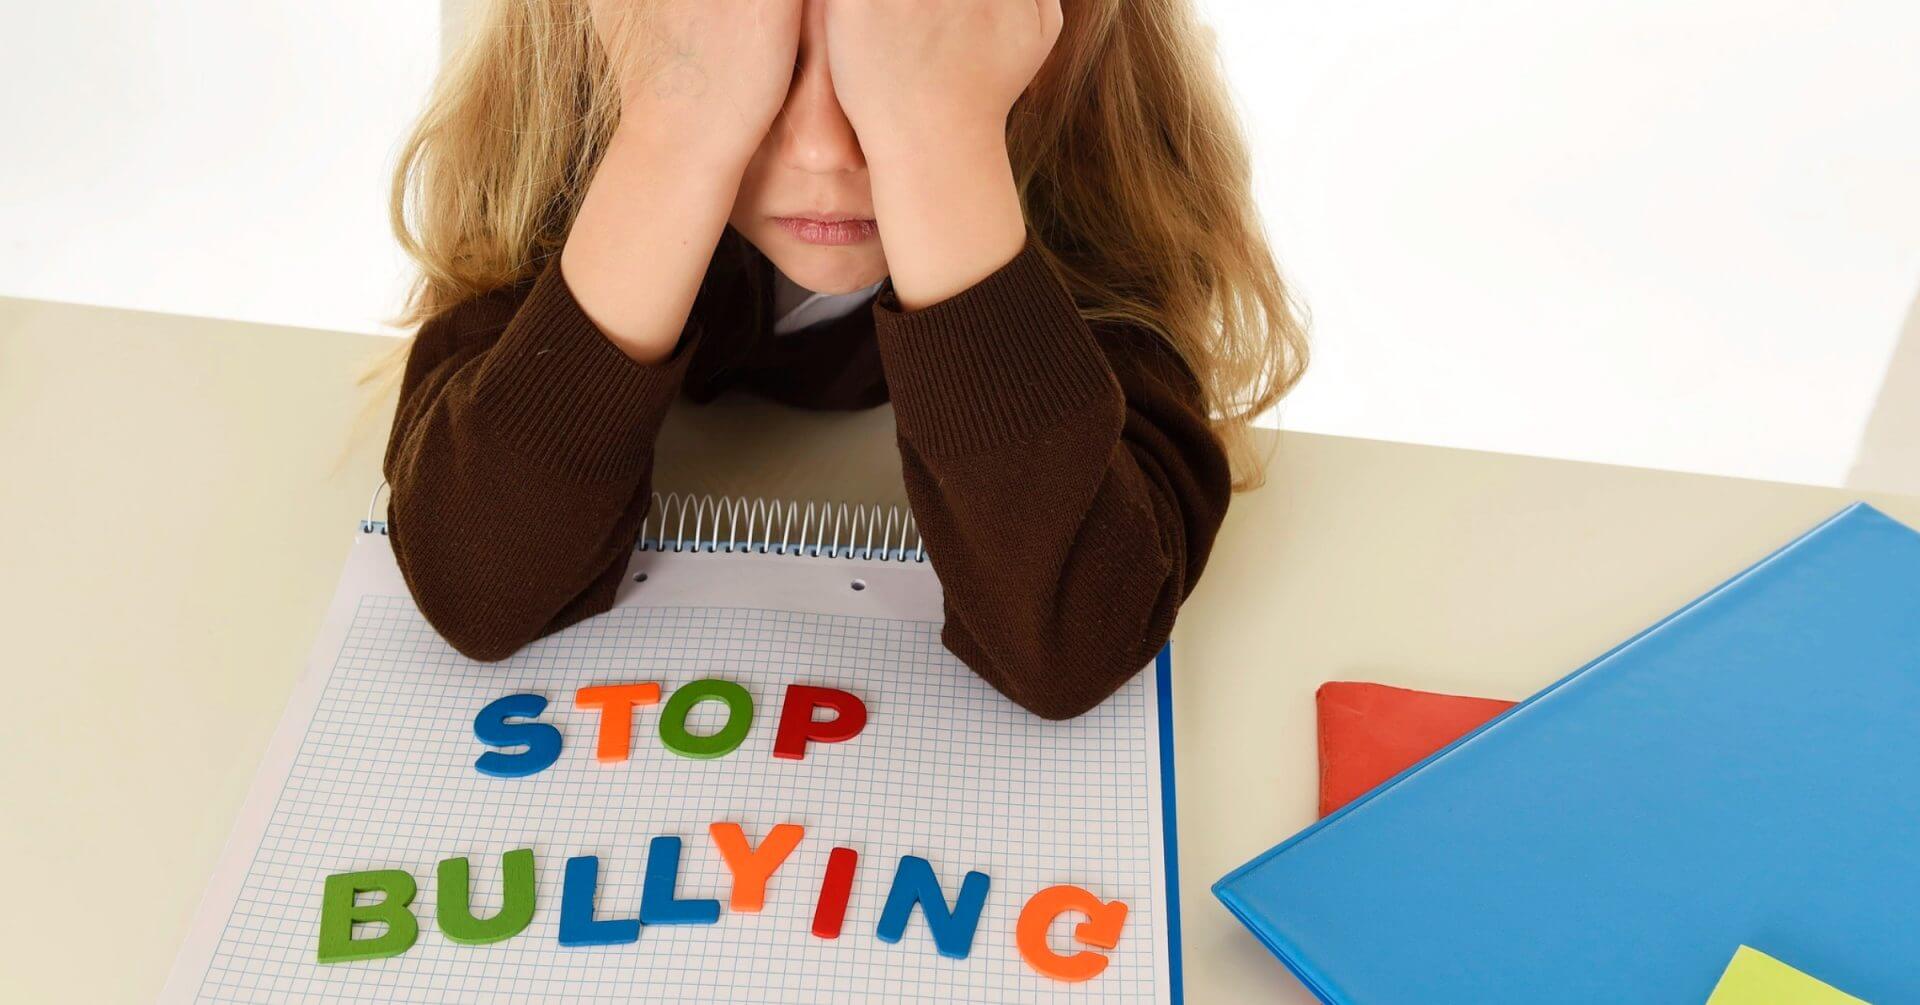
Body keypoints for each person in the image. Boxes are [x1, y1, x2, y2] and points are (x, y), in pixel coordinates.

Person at [361, 0, 1307, 719]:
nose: (822, 146)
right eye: (765, 58)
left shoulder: (1089, 217)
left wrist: (937, 136)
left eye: (891, 53)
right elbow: (473, 586)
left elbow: (1067, 639)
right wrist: (674, 134)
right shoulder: (576, 165)